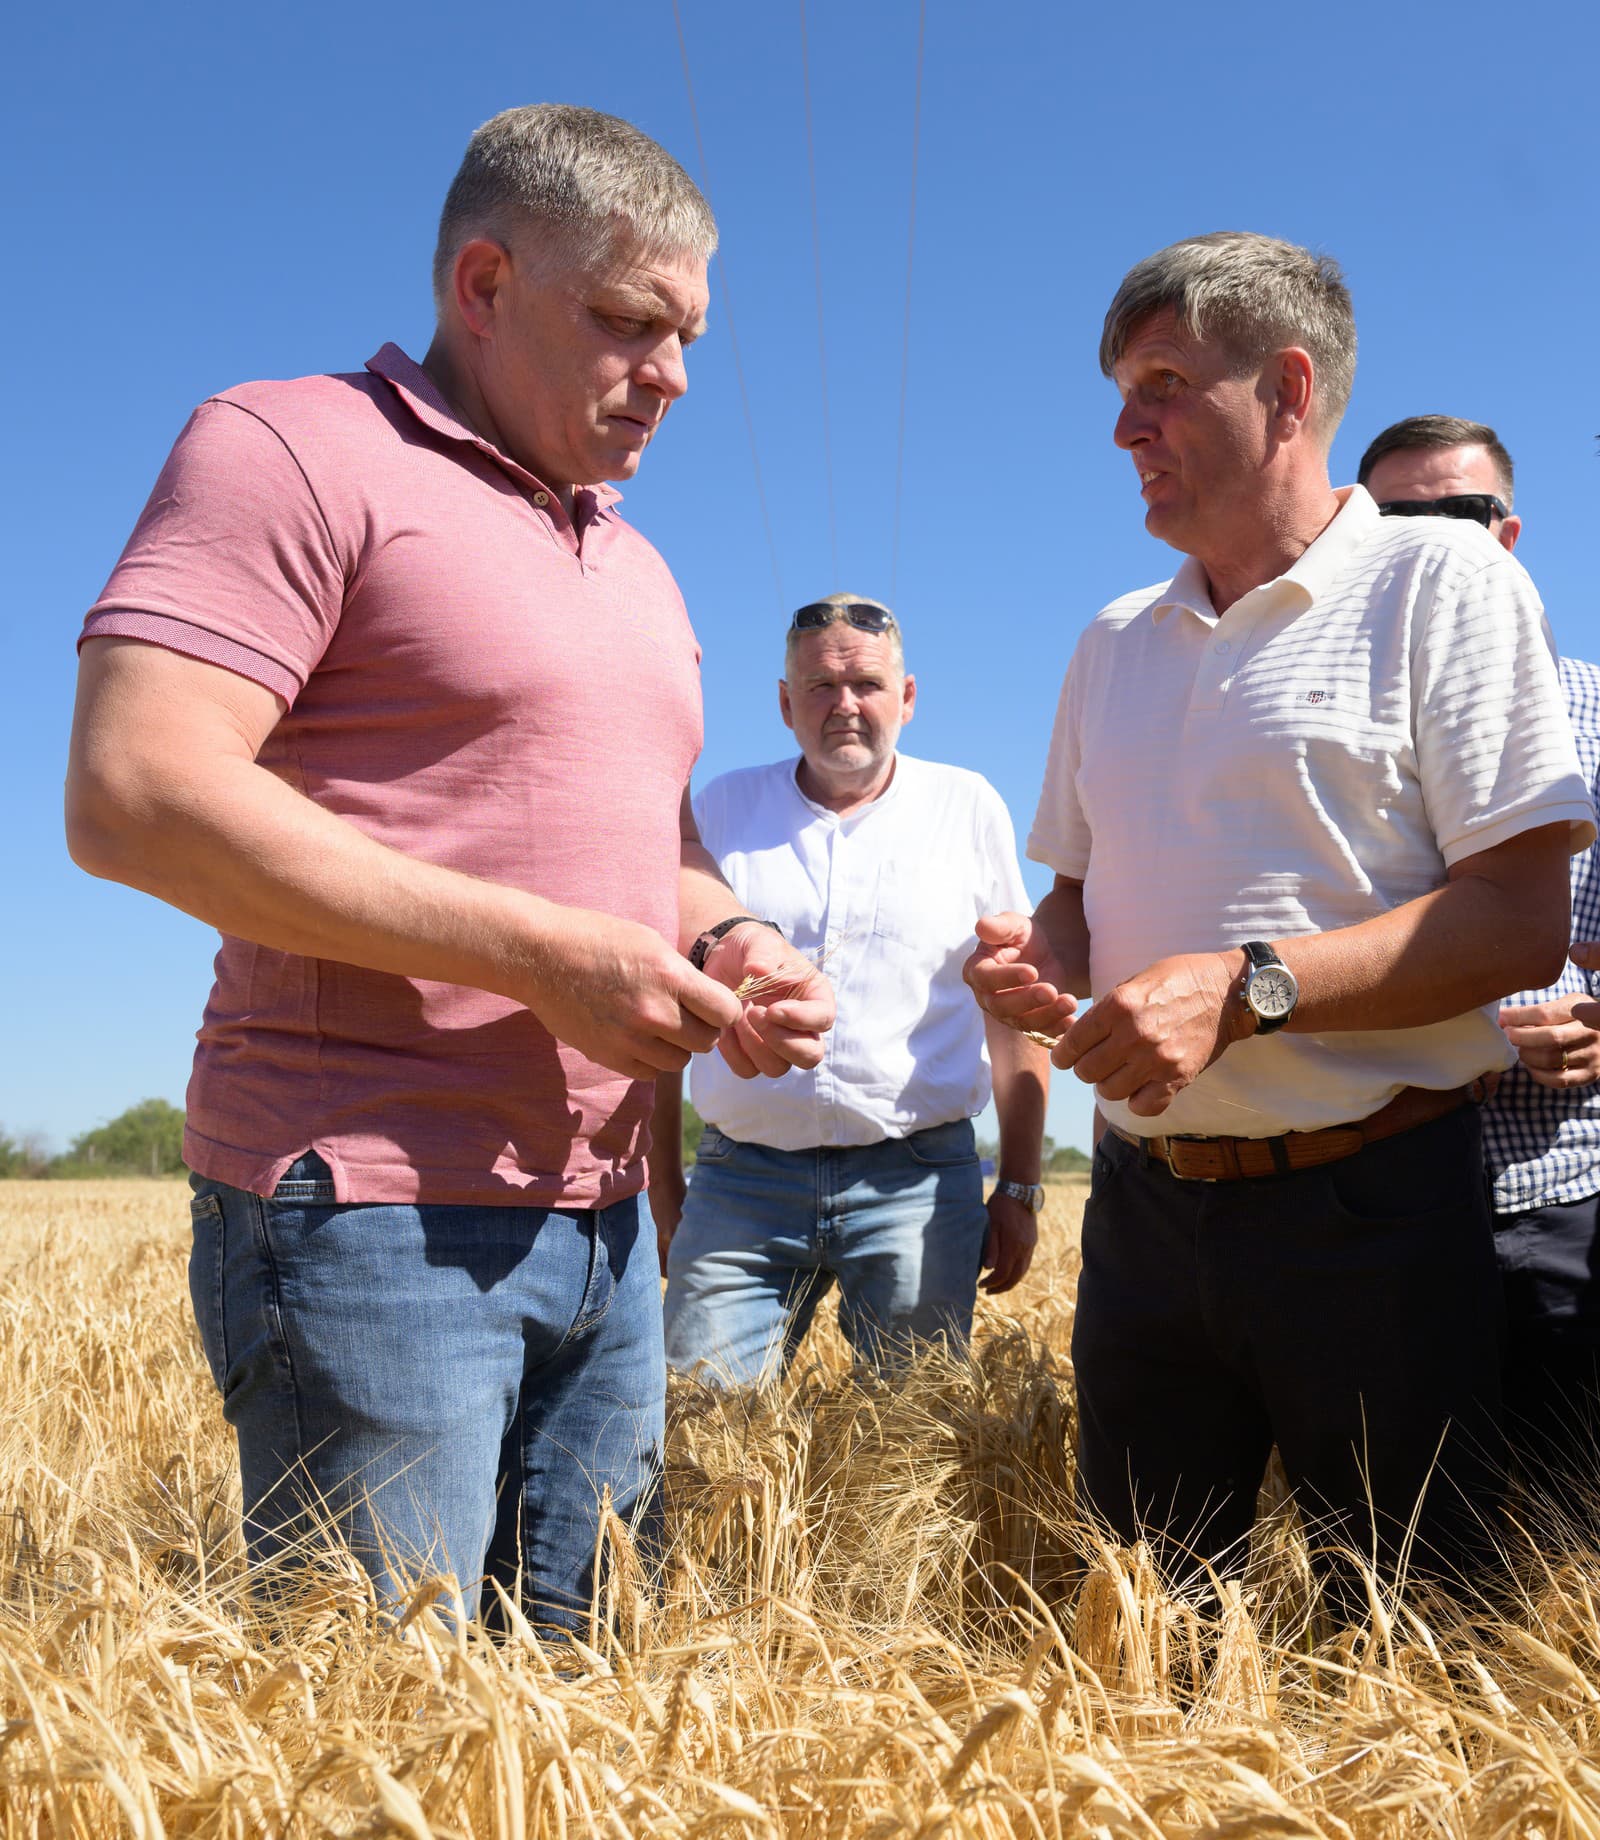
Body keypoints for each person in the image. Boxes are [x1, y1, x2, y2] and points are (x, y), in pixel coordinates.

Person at [64, 105, 833, 1631]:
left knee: (585, 1701)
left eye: (688, 335)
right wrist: (541, 956)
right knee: (387, 1732)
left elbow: (647, 843)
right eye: (629, 323)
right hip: (374, 1215)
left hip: (609, 1228)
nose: (672, 375)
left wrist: (731, 936)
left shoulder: (636, 556)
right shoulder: (286, 445)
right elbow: (136, 788)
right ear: (484, 283)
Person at [965, 232, 1594, 1594]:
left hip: (1372, 1219)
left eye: (1166, 382)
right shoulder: (1110, 639)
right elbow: (1074, 897)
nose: (1125, 424)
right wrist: (1035, 963)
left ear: (1291, 389)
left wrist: (1245, 989)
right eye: (1125, 389)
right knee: (1147, 1622)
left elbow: (1519, 921)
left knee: (1414, 1635)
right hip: (1142, 1220)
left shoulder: (1452, 585)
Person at [650, 594, 1050, 1382]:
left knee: (909, 1439)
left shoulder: (966, 807)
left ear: (907, 697)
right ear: (783, 702)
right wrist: (667, 1188)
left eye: (866, 684)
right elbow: (669, 1006)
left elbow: (1012, 1010)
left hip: (918, 1180)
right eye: (819, 687)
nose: (845, 706)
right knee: (700, 1441)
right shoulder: (718, 811)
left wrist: (1023, 1184)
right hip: (738, 1183)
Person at [1361, 416, 1600, 1526]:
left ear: (1506, 531)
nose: (1421, 542)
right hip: (1367, 1193)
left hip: (1560, 1196)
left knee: (1565, 1524)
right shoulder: (1324, 731)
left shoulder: (1597, 713)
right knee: (1402, 1541)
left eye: (1450, 515)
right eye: (1387, 519)